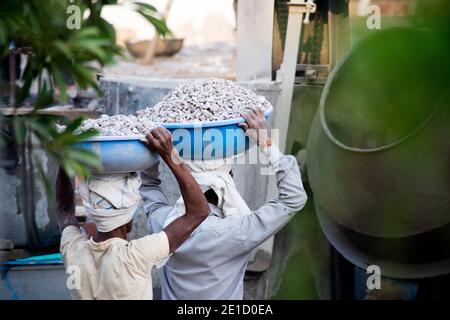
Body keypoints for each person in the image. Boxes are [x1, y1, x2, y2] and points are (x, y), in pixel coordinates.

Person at [140, 108, 308, 299]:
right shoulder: (239, 232)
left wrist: (154, 147)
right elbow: (294, 198)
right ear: (229, 178)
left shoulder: (163, 225)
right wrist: (266, 142)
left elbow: (148, 184)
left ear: (184, 184)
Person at [57, 127, 209, 300]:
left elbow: (64, 212)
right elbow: (199, 211)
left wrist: (63, 160)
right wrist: (169, 154)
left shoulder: (73, 250)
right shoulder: (134, 257)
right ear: (128, 221)